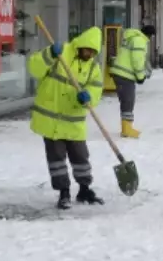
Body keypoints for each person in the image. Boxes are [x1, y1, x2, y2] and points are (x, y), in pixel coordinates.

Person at [28, 26, 106, 209]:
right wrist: (49, 55)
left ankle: (84, 188)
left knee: (81, 157)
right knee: (57, 160)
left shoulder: (94, 67)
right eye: (88, 50)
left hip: (73, 121)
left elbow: (96, 89)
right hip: (51, 121)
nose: (89, 54)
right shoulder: (61, 52)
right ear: (81, 45)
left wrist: (88, 97)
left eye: (93, 52)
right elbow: (34, 68)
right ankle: (63, 192)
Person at [111, 25, 152, 139]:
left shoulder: (133, 38)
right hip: (124, 74)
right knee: (128, 101)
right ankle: (127, 129)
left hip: (120, 73)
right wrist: (140, 76)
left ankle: (126, 127)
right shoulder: (139, 40)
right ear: (150, 35)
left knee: (126, 101)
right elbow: (137, 60)